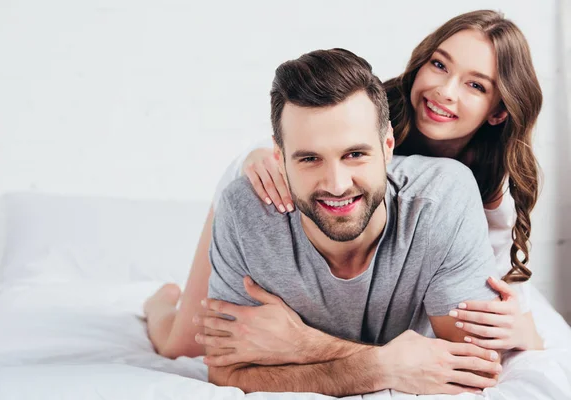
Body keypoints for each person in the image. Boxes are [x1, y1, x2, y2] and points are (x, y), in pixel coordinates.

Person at [143, 8, 543, 388]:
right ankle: (160, 301)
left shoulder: (480, 188)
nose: (444, 90)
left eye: (476, 85)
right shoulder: (369, 105)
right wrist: (258, 160)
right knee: (181, 342)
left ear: (498, 111)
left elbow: (492, 285)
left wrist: (524, 326)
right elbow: (305, 139)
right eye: (439, 64)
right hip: (271, 185)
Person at [202, 47, 505, 396]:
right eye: (310, 158)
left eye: (355, 154)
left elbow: (473, 368)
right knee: (174, 340)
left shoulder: (443, 197)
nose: (336, 184)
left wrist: (306, 344)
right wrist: (379, 366)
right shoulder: (245, 212)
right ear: (279, 157)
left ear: (388, 144)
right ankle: (160, 305)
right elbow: (225, 373)